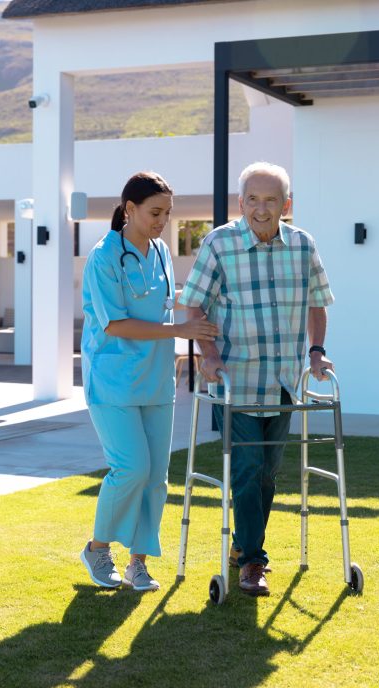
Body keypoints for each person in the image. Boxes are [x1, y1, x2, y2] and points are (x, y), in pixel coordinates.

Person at [179, 162, 334, 596]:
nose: (261, 209)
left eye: (271, 200)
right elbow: (194, 307)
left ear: (286, 204)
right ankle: (253, 562)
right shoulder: (219, 244)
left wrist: (316, 354)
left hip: (284, 379)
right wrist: (207, 354)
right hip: (238, 378)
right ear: (240, 202)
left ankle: (242, 547)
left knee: (268, 474)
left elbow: (317, 304)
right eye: (253, 199)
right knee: (247, 470)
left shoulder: (303, 246)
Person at [80, 172, 218, 592]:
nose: (162, 221)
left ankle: (138, 562)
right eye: (155, 212)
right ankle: (98, 549)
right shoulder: (104, 257)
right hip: (113, 381)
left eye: (167, 213)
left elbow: (165, 299)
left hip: (156, 379)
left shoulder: (159, 250)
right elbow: (117, 324)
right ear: (130, 210)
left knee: (156, 476)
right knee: (131, 468)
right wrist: (179, 331)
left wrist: (197, 304)